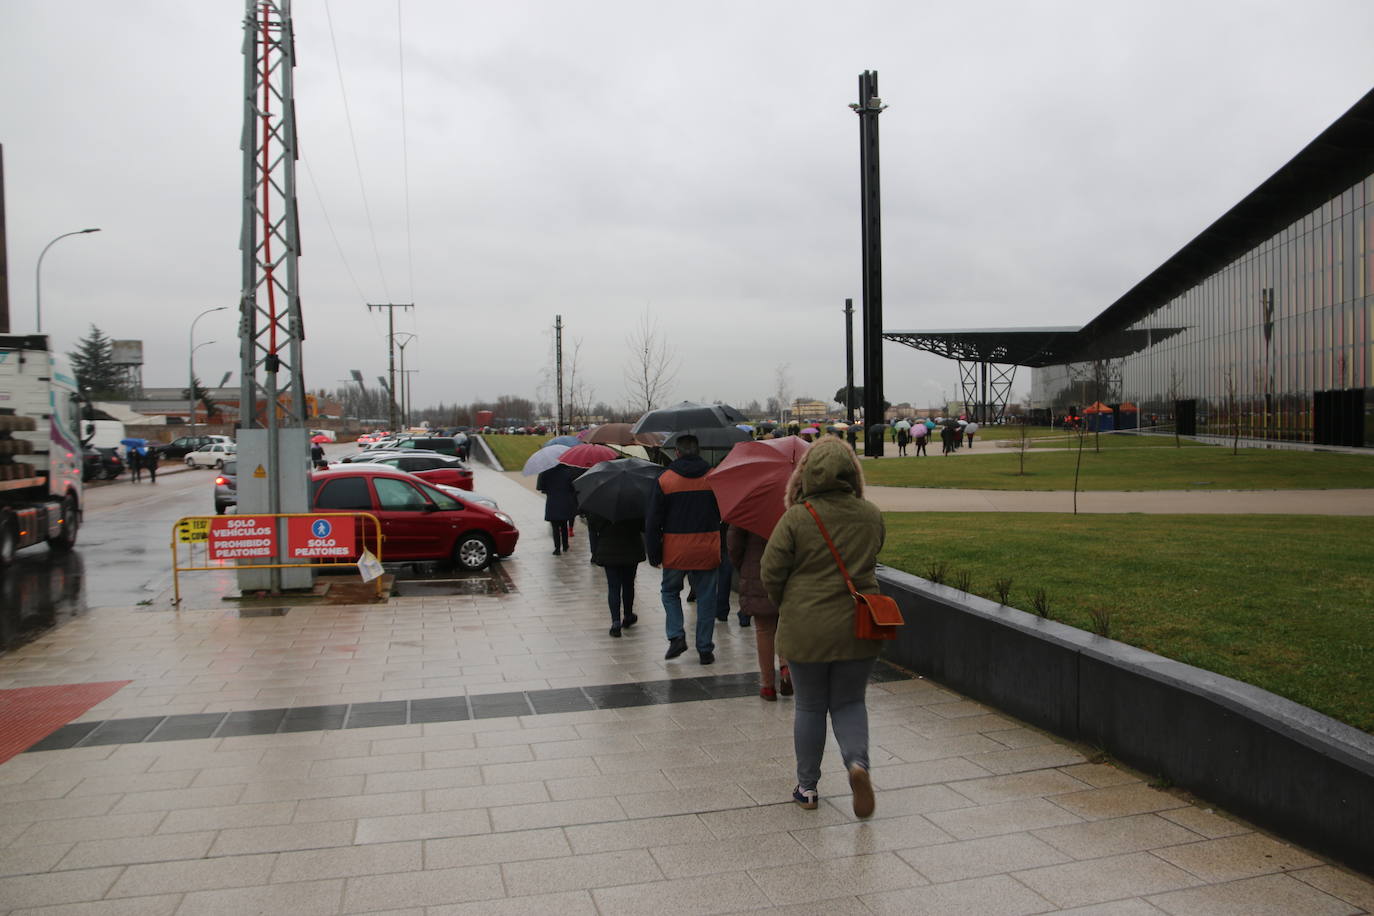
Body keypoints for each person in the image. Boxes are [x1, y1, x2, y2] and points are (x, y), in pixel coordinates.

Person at [761, 437, 884, 819]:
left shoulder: (797, 517)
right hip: (858, 624)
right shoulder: (870, 513)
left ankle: (808, 788)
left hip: (806, 626)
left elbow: (770, 571)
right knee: (850, 702)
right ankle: (857, 764)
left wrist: (789, 601)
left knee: (810, 706)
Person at [644, 435, 721, 665]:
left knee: (669, 592)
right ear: (699, 451)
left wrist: (654, 552)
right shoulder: (713, 477)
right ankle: (705, 648)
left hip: (675, 547)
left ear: (676, 452)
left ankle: (676, 635)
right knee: (707, 598)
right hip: (707, 546)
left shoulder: (665, 479)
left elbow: (652, 521)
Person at [728, 524, 788, 701]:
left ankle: (768, 685)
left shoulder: (749, 503)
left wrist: (744, 565)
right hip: (788, 571)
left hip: (758, 569)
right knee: (787, 624)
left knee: (764, 629)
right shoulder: (795, 507)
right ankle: (786, 667)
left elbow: (734, 544)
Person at [587, 512, 643, 637]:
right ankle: (628, 615)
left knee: (613, 587)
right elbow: (643, 526)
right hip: (631, 549)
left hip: (609, 549)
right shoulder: (634, 504)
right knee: (628, 585)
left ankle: (616, 622)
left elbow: (593, 526)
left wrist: (595, 551)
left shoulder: (601, 506)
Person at [535, 461, 581, 555]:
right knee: (564, 524)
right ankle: (565, 545)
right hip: (565, 501)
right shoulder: (569, 471)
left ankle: (557, 548)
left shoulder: (547, 472)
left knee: (555, 526)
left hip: (553, 501)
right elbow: (574, 487)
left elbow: (540, 487)